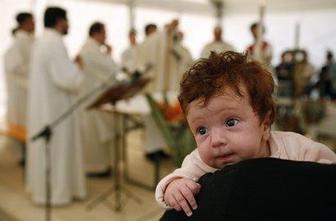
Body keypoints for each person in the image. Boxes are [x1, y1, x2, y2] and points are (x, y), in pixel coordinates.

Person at [155, 51, 336, 216]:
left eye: (230, 122)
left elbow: (327, 175)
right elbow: (178, 177)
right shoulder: (199, 162)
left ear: (265, 125)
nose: (216, 141)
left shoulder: (297, 149)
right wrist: (175, 186)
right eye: (202, 130)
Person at [26, 7, 85, 205]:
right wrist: (77, 65)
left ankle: (44, 190)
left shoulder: (41, 41)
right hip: (56, 109)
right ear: (60, 21)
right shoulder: (54, 42)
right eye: (67, 20)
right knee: (58, 150)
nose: (69, 24)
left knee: (48, 151)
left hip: (46, 107)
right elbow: (65, 79)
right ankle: (57, 194)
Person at [78, 21, 119, 176]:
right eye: (104, 32)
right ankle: (96, 168)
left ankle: (101, 166)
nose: (106, 36)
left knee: (96, 136)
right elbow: (112, 70)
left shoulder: (92, 49)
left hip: (95, 99)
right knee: (94, 137)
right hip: (92, 100)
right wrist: (109, 54)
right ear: (95, 33)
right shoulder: (90, 50)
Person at [4, 12, 35, 130]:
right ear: (25, 23)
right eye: (32, 21)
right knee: (21, 123)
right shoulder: (21, 40)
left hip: (26, 88)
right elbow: (15, 66)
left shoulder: (28, 40)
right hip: (22, 90)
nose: (34, 24)